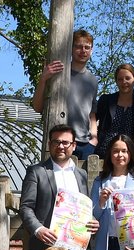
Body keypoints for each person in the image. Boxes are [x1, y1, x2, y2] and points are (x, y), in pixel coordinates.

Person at [19, 123, 100, 250]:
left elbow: (83, 208)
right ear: (49, 144)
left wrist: (92, 221)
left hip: (76, 249)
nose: (61, 146)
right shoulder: (36, 172)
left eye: (65, 142)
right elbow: (26, 207)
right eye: (56, 142)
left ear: (74, 145)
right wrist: (38, 229)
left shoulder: (81, 175)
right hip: (47, 248)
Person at [31, 29, 99, 159]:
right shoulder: (57, 73)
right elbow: (37, 107)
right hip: (60, 141)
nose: (83, 51)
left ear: (91, 50)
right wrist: (43, 79)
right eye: (78, 46)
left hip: (85, 144)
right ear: (71, 49)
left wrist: (94, 138)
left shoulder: (93, 80)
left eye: (87, 47)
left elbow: (92, 113)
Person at [94, 64, 134, 158]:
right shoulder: (106, 100)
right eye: (120, 79)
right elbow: (92, 118)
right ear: (116, 81)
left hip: (130, 154)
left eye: (127, 78)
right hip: (105, 153)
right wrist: (93, 137)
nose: (124, 82)